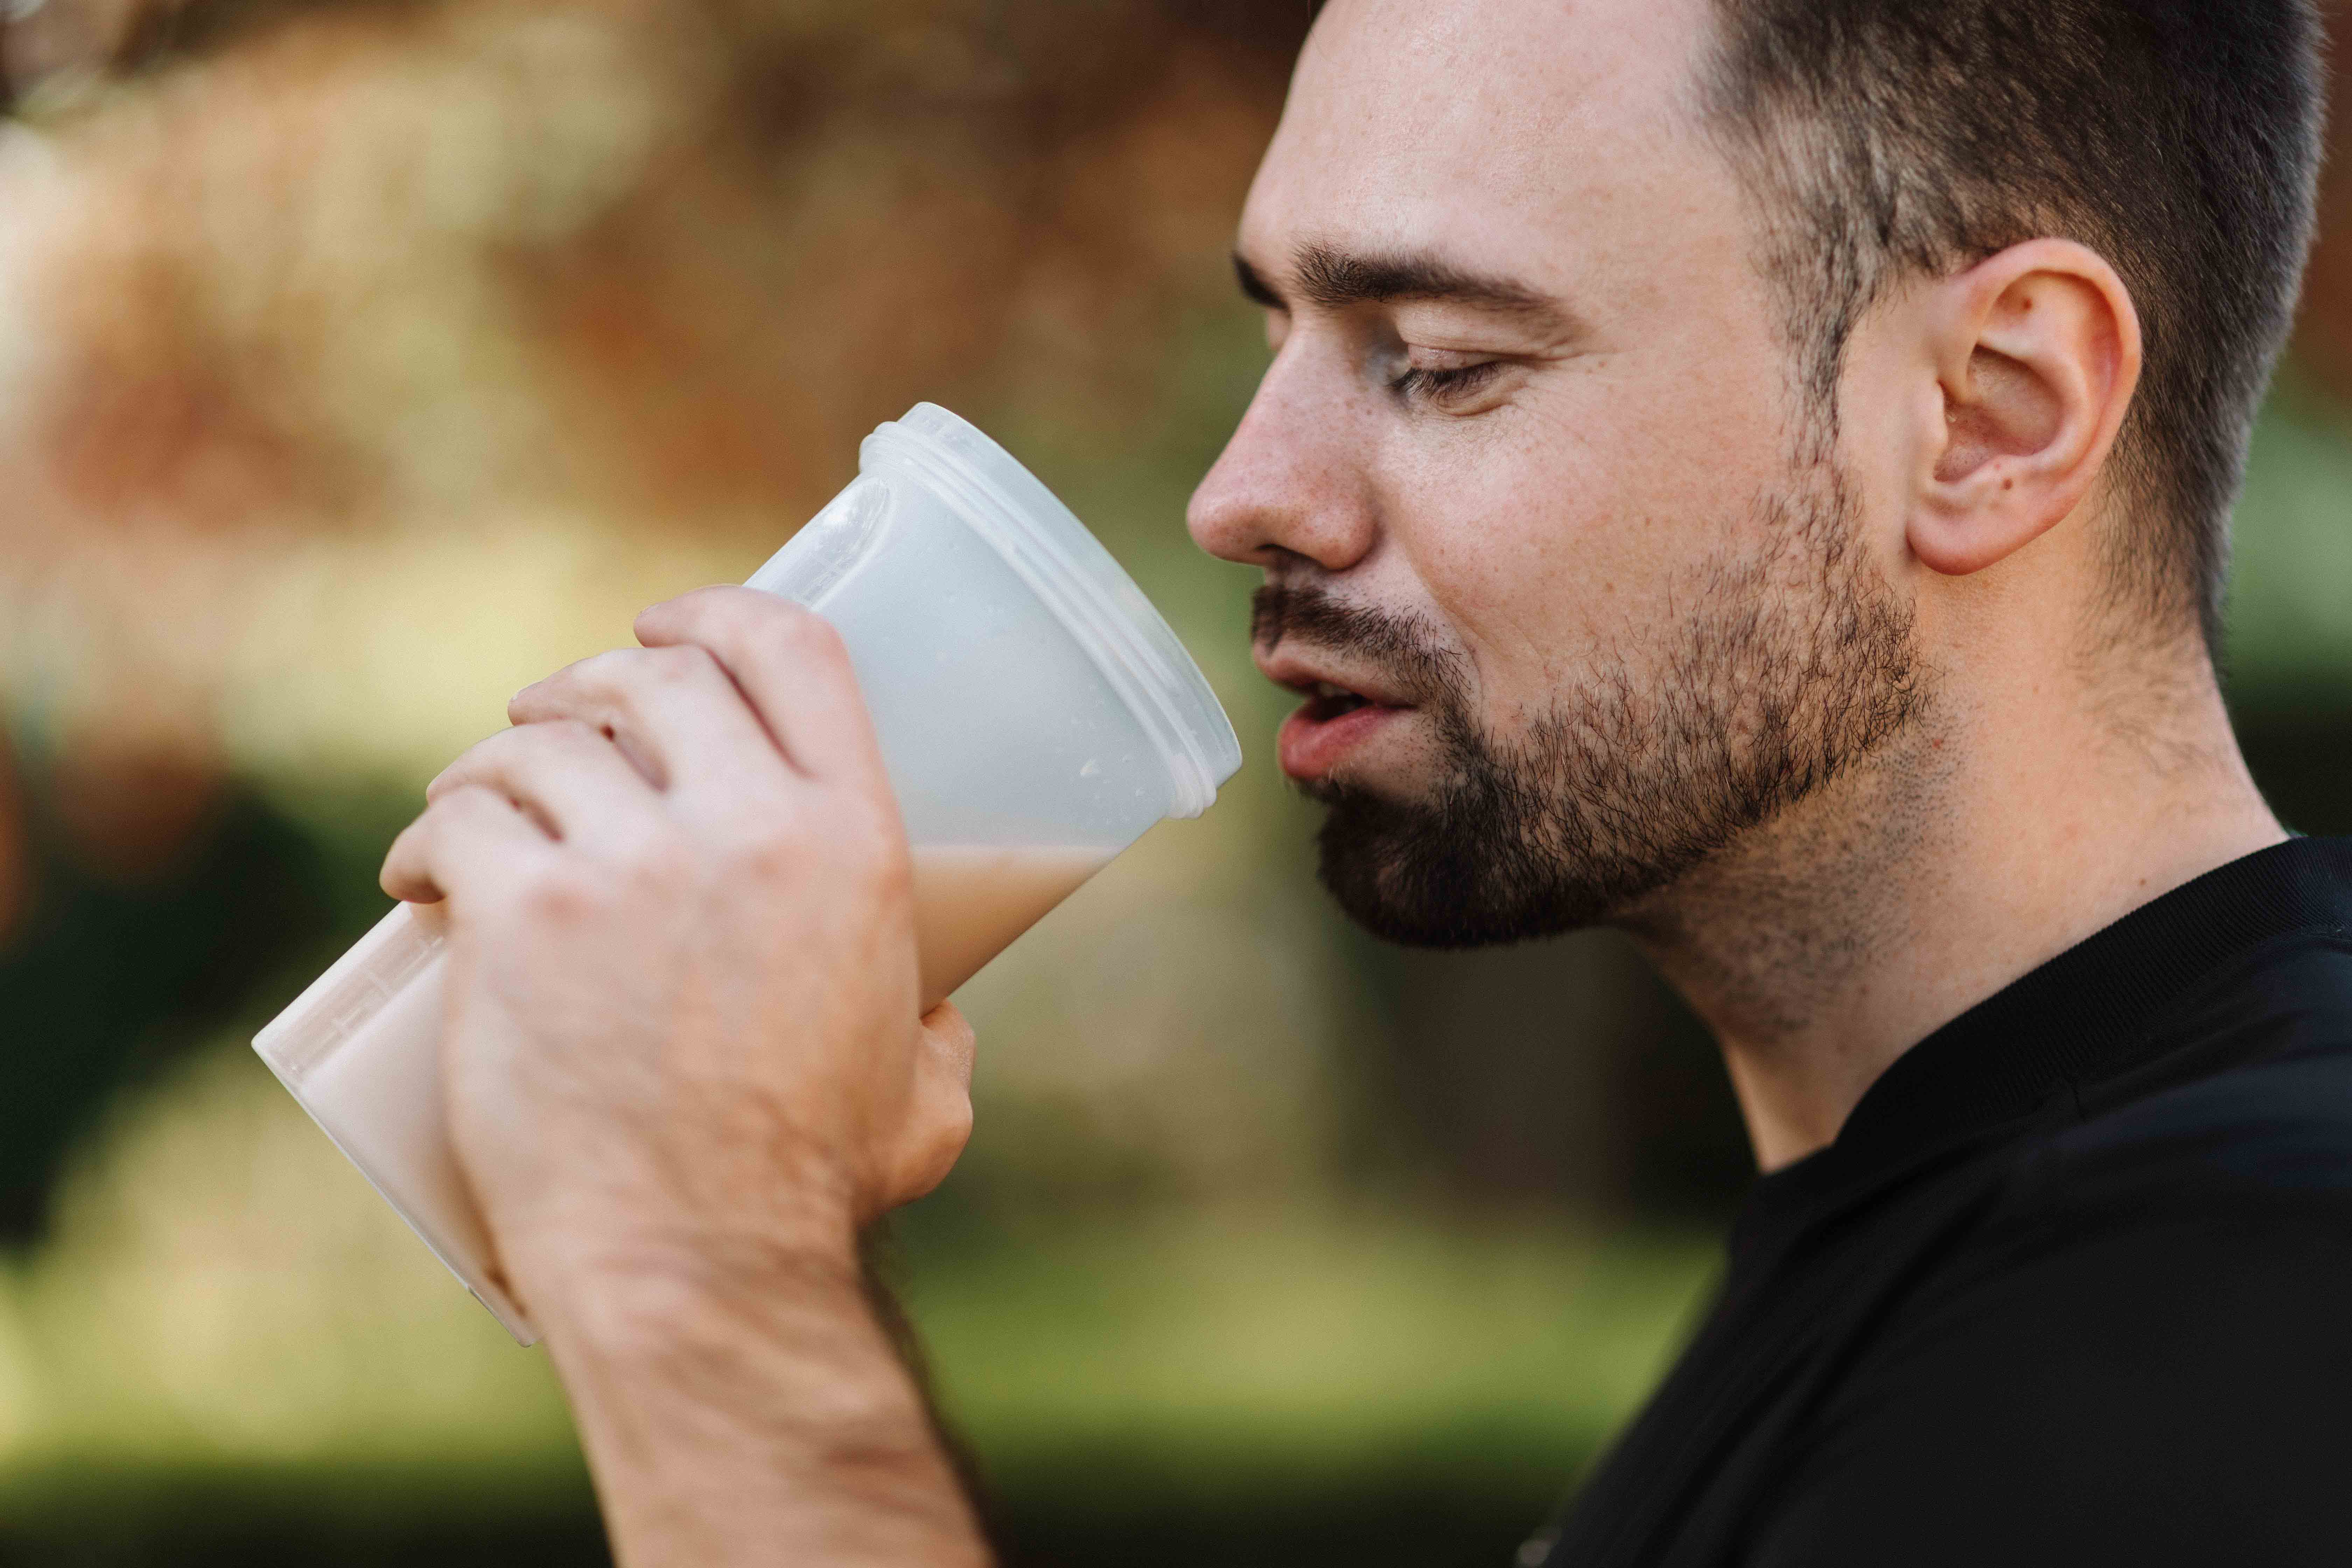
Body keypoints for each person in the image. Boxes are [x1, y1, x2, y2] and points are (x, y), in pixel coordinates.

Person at [380, 0, 2352, 1562]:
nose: (1250, 494)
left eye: (1439, 360)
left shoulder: (2248, 1294)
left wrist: (703, 1264)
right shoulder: (1951, 1237)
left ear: (1993, 414)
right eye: (1283, 331)